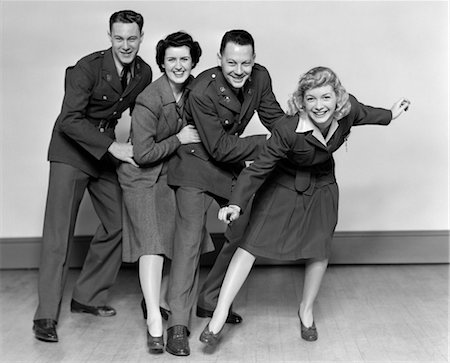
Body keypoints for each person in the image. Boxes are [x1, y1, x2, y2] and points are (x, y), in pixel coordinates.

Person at [199, 66, 410, 347]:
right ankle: (219, 316)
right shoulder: (288, 129)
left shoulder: (348, 111)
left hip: (322, 186)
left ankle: (306, 311)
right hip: (283, 184)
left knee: (319, 248)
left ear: (338, 98)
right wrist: (236, 205)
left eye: (325, 97)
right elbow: (257, 170)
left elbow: (368, 114)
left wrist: (391, 115)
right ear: (302, 101)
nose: (319, 105)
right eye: (311, 99)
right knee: (249, 244)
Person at [32, 10, 152, 343]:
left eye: (131, 38)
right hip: (71, 151)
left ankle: (87, 296)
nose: (125, 45)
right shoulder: (86, 68)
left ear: (141, 37)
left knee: (118, 223)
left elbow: (146, 114)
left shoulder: (143, 72)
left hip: (103, 154)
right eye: (118, 38)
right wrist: (113, 147)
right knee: (58, 235)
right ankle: (44, 316)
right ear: (109, 36)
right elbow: (69, 120)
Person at [165, 29, 285, 356]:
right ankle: (177, 324)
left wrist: (304, 134)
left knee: (243, 230)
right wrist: (267, 144)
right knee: (189, 240)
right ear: (220, 59)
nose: (238, 70)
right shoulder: (202, 90)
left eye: (245, 63)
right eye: (231, 62)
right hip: (194, 163)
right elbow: (218, 148)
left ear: (254, 60)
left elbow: (276, 119)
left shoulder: (260, 78)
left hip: (227, 165)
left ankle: (210, 300)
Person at [116, 31, 208, 354]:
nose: (178, 65)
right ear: (162, 63)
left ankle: (161, 300)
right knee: (152, 244)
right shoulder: (149, 98)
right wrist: (180, 139)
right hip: (141, 177)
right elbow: (141, 154)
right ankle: (154, 319)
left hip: (170, 174)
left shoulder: (198, 90)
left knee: (181, 240)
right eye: (171, 59)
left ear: (193, 60)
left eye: (184, 58)